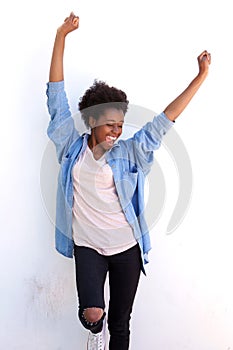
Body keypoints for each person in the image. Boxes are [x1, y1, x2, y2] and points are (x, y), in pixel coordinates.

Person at [46, 12, 211, 350]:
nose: (116, 131)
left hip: (126, 249)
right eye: (109, 124)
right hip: (88, 246)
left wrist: (201, 76)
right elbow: (56, 96)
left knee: (121, 323)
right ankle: (95, 329)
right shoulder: (71, 146)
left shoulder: (131, 153)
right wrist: (61, 36)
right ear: (91, 121)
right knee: (94, 313)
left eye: (120, 125)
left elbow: (166, 120)